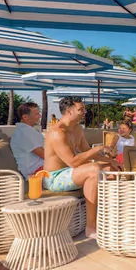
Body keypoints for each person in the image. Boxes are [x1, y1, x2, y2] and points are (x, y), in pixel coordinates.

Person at [43, 97, 118, 239]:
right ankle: (91, 226)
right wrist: (98, 149)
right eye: (81, 109)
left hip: (70, 172)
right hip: (54, 177)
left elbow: (86, 150)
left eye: (84, 109)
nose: (85, 112)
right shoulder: (57, 133)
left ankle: (109, 217)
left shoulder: (77, 128)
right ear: (69, 112)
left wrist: (111, 161)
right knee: (94, 170)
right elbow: (73, 162)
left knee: (111, 169)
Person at [10, 102, 45, 179]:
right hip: (36, 172)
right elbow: (44, 155)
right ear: (25, 117)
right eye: (37, 114)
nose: (40, 116)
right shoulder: (24, 133)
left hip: (41, 168)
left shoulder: (27, 131)